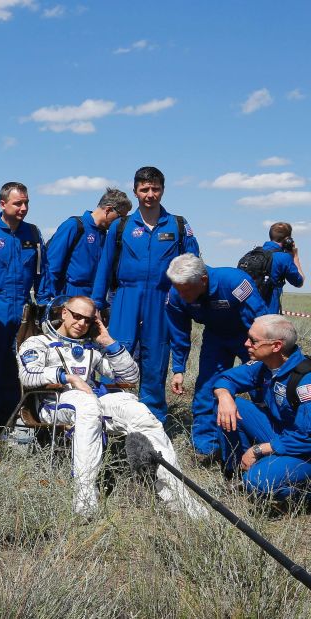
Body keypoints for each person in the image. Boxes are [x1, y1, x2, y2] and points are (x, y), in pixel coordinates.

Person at [17, 296, 206, 518]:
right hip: (54, 402)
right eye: (77, 317)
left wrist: (107, 341)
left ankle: (177, 497)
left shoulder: (90, 349)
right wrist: (69, 378)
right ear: (64, 313)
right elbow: (27, 375)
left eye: (88, 320)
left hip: (90, 400)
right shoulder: (39, 343)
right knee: (87, 405)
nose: (82, 324)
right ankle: (85, 498)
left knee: (138, 410)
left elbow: (130, 376)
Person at [91, 166, 199, 423]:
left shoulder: (178, 225)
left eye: (155, 189)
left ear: (163, 190)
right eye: (144, 189)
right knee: (117, 357)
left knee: (156, 360)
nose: (150, 194)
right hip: (126, 298)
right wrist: (96, 303)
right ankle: (110, 420)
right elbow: (105, 266)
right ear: (136, 191)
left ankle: (153, 423)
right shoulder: (121, 226)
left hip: (162, 300)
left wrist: (189, 301)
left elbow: (193, 264)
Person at [166, 254, 269, 458]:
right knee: (206, 388)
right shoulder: (177, 293)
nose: (181, 294)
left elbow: (260, 320)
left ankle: (264, 439)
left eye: (186, 290)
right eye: (178, 289)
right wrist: (178, 369)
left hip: (248, 336)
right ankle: (207, 446)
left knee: (261, 385)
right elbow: (179, 333)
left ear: (203, 280)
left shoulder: (235, 282)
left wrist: (261, 352)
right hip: (215, 338)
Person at [0, 181, 54, 439]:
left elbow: (42, 274)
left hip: (22, 314)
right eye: (17, 203)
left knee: (19, 373)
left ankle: (12, 429)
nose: (23, 208)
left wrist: (44, 307)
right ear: (2, 204)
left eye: (26, 203)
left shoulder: (32, 234)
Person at [214, 315, 311, 501]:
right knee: (226, 404)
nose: (246, 343)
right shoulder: (265, 366)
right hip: (282, 433)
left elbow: (307, 437)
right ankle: (236, 471)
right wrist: (225, 397)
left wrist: (259, 450)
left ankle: (304, 491)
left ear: (276, 346)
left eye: (253, 340)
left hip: (303, 449)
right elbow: (225, 379)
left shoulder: (305, 382)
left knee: (258, 482)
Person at [46, 188, 132, 297]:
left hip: (92, 297)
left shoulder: (104, 235)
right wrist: (52, 300)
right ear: (108, 210)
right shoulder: (73, 226)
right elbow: (52, 265)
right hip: (70, 295)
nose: (121, 223)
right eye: (120, 217)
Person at [262, 222, 304, 314]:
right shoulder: (283, 258)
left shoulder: (252, 253)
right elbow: (299, 282)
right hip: (269, 313)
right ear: (288, 240)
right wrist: (295, 257)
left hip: (248, 313)